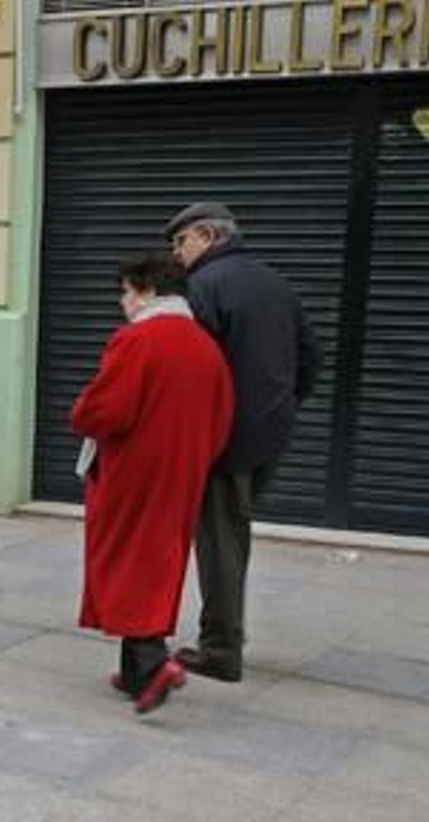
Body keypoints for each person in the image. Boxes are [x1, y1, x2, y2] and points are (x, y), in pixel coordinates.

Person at [166, 202, 322, 683]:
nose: (176, 254)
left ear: (209, 235)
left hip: (224, 439)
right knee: (233, 533)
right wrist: (281, 408)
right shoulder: (274, 282)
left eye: (182, 242)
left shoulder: (203, 287)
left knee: (219, 543)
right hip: (270, 433)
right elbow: (310, 358)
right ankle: (225, 633)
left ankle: (220, 650)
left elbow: (191, 370)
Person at [72, 252, 234, 715]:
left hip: (132, 471)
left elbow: (106, 410)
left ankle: (152, 664)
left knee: (124, 562)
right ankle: (133, 671)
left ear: (146, 291)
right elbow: (221, 421)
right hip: (183, 473)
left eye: (126, 292)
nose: (123, 302)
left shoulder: (137, 340)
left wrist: (80, 410)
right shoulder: (206, 345)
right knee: (157, 562)